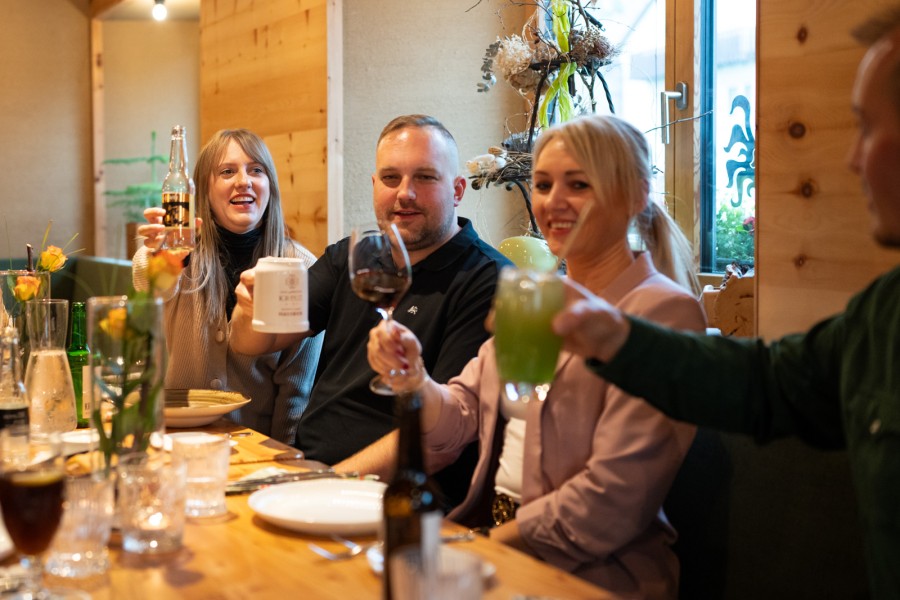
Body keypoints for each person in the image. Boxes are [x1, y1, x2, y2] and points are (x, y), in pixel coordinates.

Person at [546, 9, 900, 600]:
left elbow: (608, 502)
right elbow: (764, 383)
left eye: (867, 128)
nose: (852, 160)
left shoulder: (668, 301)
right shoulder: (884, 313)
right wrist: (614, 336)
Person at [365, 114, 706, 598]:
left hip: (588, 574)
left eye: (579, 184)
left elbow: (612, 500)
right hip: (494, 542)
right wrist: (414, 379)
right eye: (543, 184)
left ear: (635, 195)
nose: (552, 202)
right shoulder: (539, 295)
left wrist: (478, 548)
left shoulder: (665, 312)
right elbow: (460, 416)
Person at [230, 115, 511, 506]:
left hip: (399, 498)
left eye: (426, 178)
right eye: (391, 178)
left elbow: (441, 441)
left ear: (458, 189)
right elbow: (255, 342)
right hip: (311, 470)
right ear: (374, 185)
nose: (405, 194)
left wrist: (329, 483)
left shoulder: (488, 280)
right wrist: (247, 307)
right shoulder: (352, 257)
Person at [133, 128, 321, 445]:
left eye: (256, 170)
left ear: (270, 187)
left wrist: (284, 461)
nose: (243, 181)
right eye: (227, 171)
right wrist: (165, 259)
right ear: (203, 190)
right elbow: (151, 287)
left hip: (257, 445)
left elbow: (296, 388)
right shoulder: (180, 253)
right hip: (174, 437)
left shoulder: (301, 267)